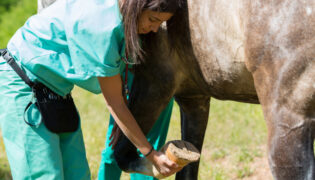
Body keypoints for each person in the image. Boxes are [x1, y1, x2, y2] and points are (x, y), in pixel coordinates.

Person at [0, 0, 181, 179]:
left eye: (160, 22)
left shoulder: (120, 15)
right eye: (153, 19)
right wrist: (151, 154)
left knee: (78, 175)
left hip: (57, 90)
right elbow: (115, 102)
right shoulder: (103, 27)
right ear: (136, 5)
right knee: (43, 175)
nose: (155, 28)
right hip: (22, 81)